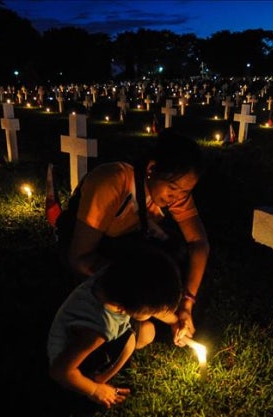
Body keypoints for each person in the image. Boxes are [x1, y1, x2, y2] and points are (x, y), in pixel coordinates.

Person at [59, 128, 209, 348]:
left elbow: (198, 243)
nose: (177, 198)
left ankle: (138, 312)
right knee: (143, 329)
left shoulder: (175, 193)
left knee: (174, 255)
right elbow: (79, 258)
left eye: (185, 192)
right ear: (151, 169)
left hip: (125, 247)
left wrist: (187, 302)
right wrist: (145, 293)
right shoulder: (113, 181)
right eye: (173, 188)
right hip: (92, 253)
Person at [47, 243, 183, 414]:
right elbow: (59, 371)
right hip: (70, 364)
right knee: (132, 339)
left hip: (83, 333)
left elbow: (143, 301)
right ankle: (97, 379)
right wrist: (95, 390)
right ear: (130, 308)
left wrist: (175, 321)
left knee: (147, 332)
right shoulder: (97, 330)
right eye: (154, 311)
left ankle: (99, 376)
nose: (157, 314)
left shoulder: (115, 277)